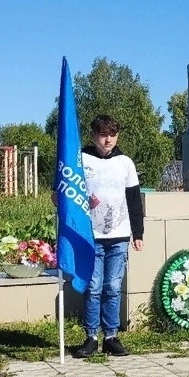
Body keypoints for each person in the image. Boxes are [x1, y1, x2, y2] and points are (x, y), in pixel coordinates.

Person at [72, 114, 144, 358]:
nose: (107, 140)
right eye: (103, 135)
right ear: (93, 136)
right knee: (92, 288)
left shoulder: (125, 163)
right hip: (89, 236)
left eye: (112, 135)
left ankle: (111, 336)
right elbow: (68, 190)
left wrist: (138, 232)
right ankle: (91, 336)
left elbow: (134, 200)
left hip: (119, 235)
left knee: (112, 288)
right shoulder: (80, 159)